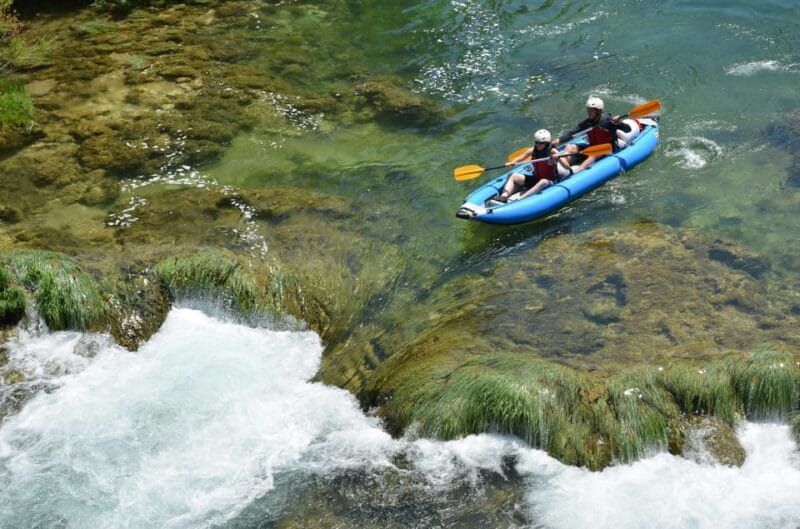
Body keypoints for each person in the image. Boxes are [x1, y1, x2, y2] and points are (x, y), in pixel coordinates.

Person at [489, 129, 573, 203]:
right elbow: (521, 157)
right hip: (536, 178)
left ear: (547, 143)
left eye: (541, 143)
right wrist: (512, 162)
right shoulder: (533, 150)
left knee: (543, 181)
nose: (538, 145)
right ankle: (503, 197)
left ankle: (519, 200)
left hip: (550, 181)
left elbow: (567, 167)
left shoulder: (553, 151)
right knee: (512, 175)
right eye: (537, 142)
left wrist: (559, 157)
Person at [553, 96, 632, 173]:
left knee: (594, 153)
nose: (589, 112)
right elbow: (573, 133)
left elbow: (628, 129)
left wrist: (619, 123)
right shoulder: (587, 123)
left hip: (608, 149)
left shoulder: (608, 121)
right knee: (570, 147)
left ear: (599, 111)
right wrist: (560, 140)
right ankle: (564, 162)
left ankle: (577, 171)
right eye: (588, 110)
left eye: (592, 110)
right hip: (592, 147)